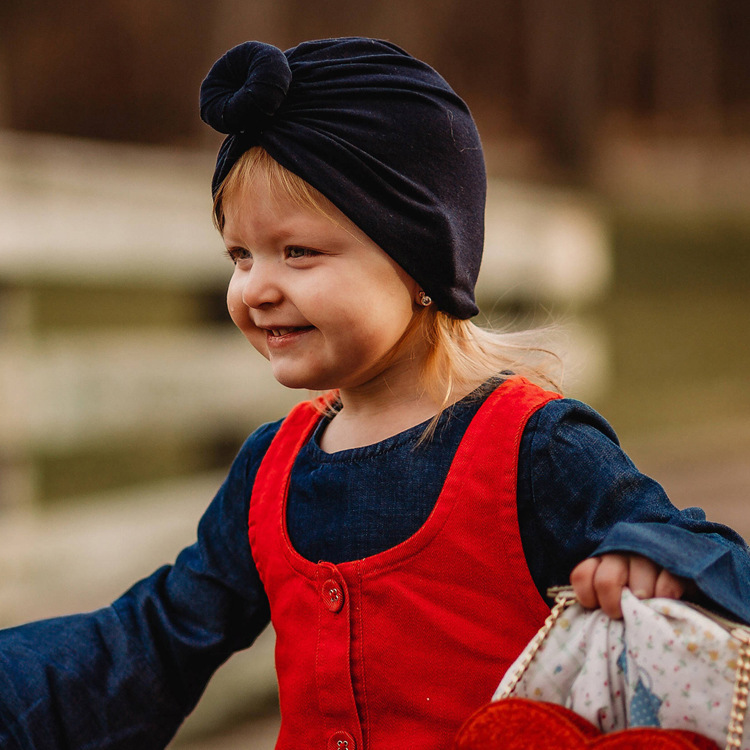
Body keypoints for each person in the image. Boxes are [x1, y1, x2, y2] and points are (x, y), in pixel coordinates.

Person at [0, 37, 748, 750]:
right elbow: (153, 641)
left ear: (420, 259)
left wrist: (647, 558)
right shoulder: (273, 470)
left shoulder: (533, 450)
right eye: (240, 253)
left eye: (299, 252)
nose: (255, 286)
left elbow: (712, 563)